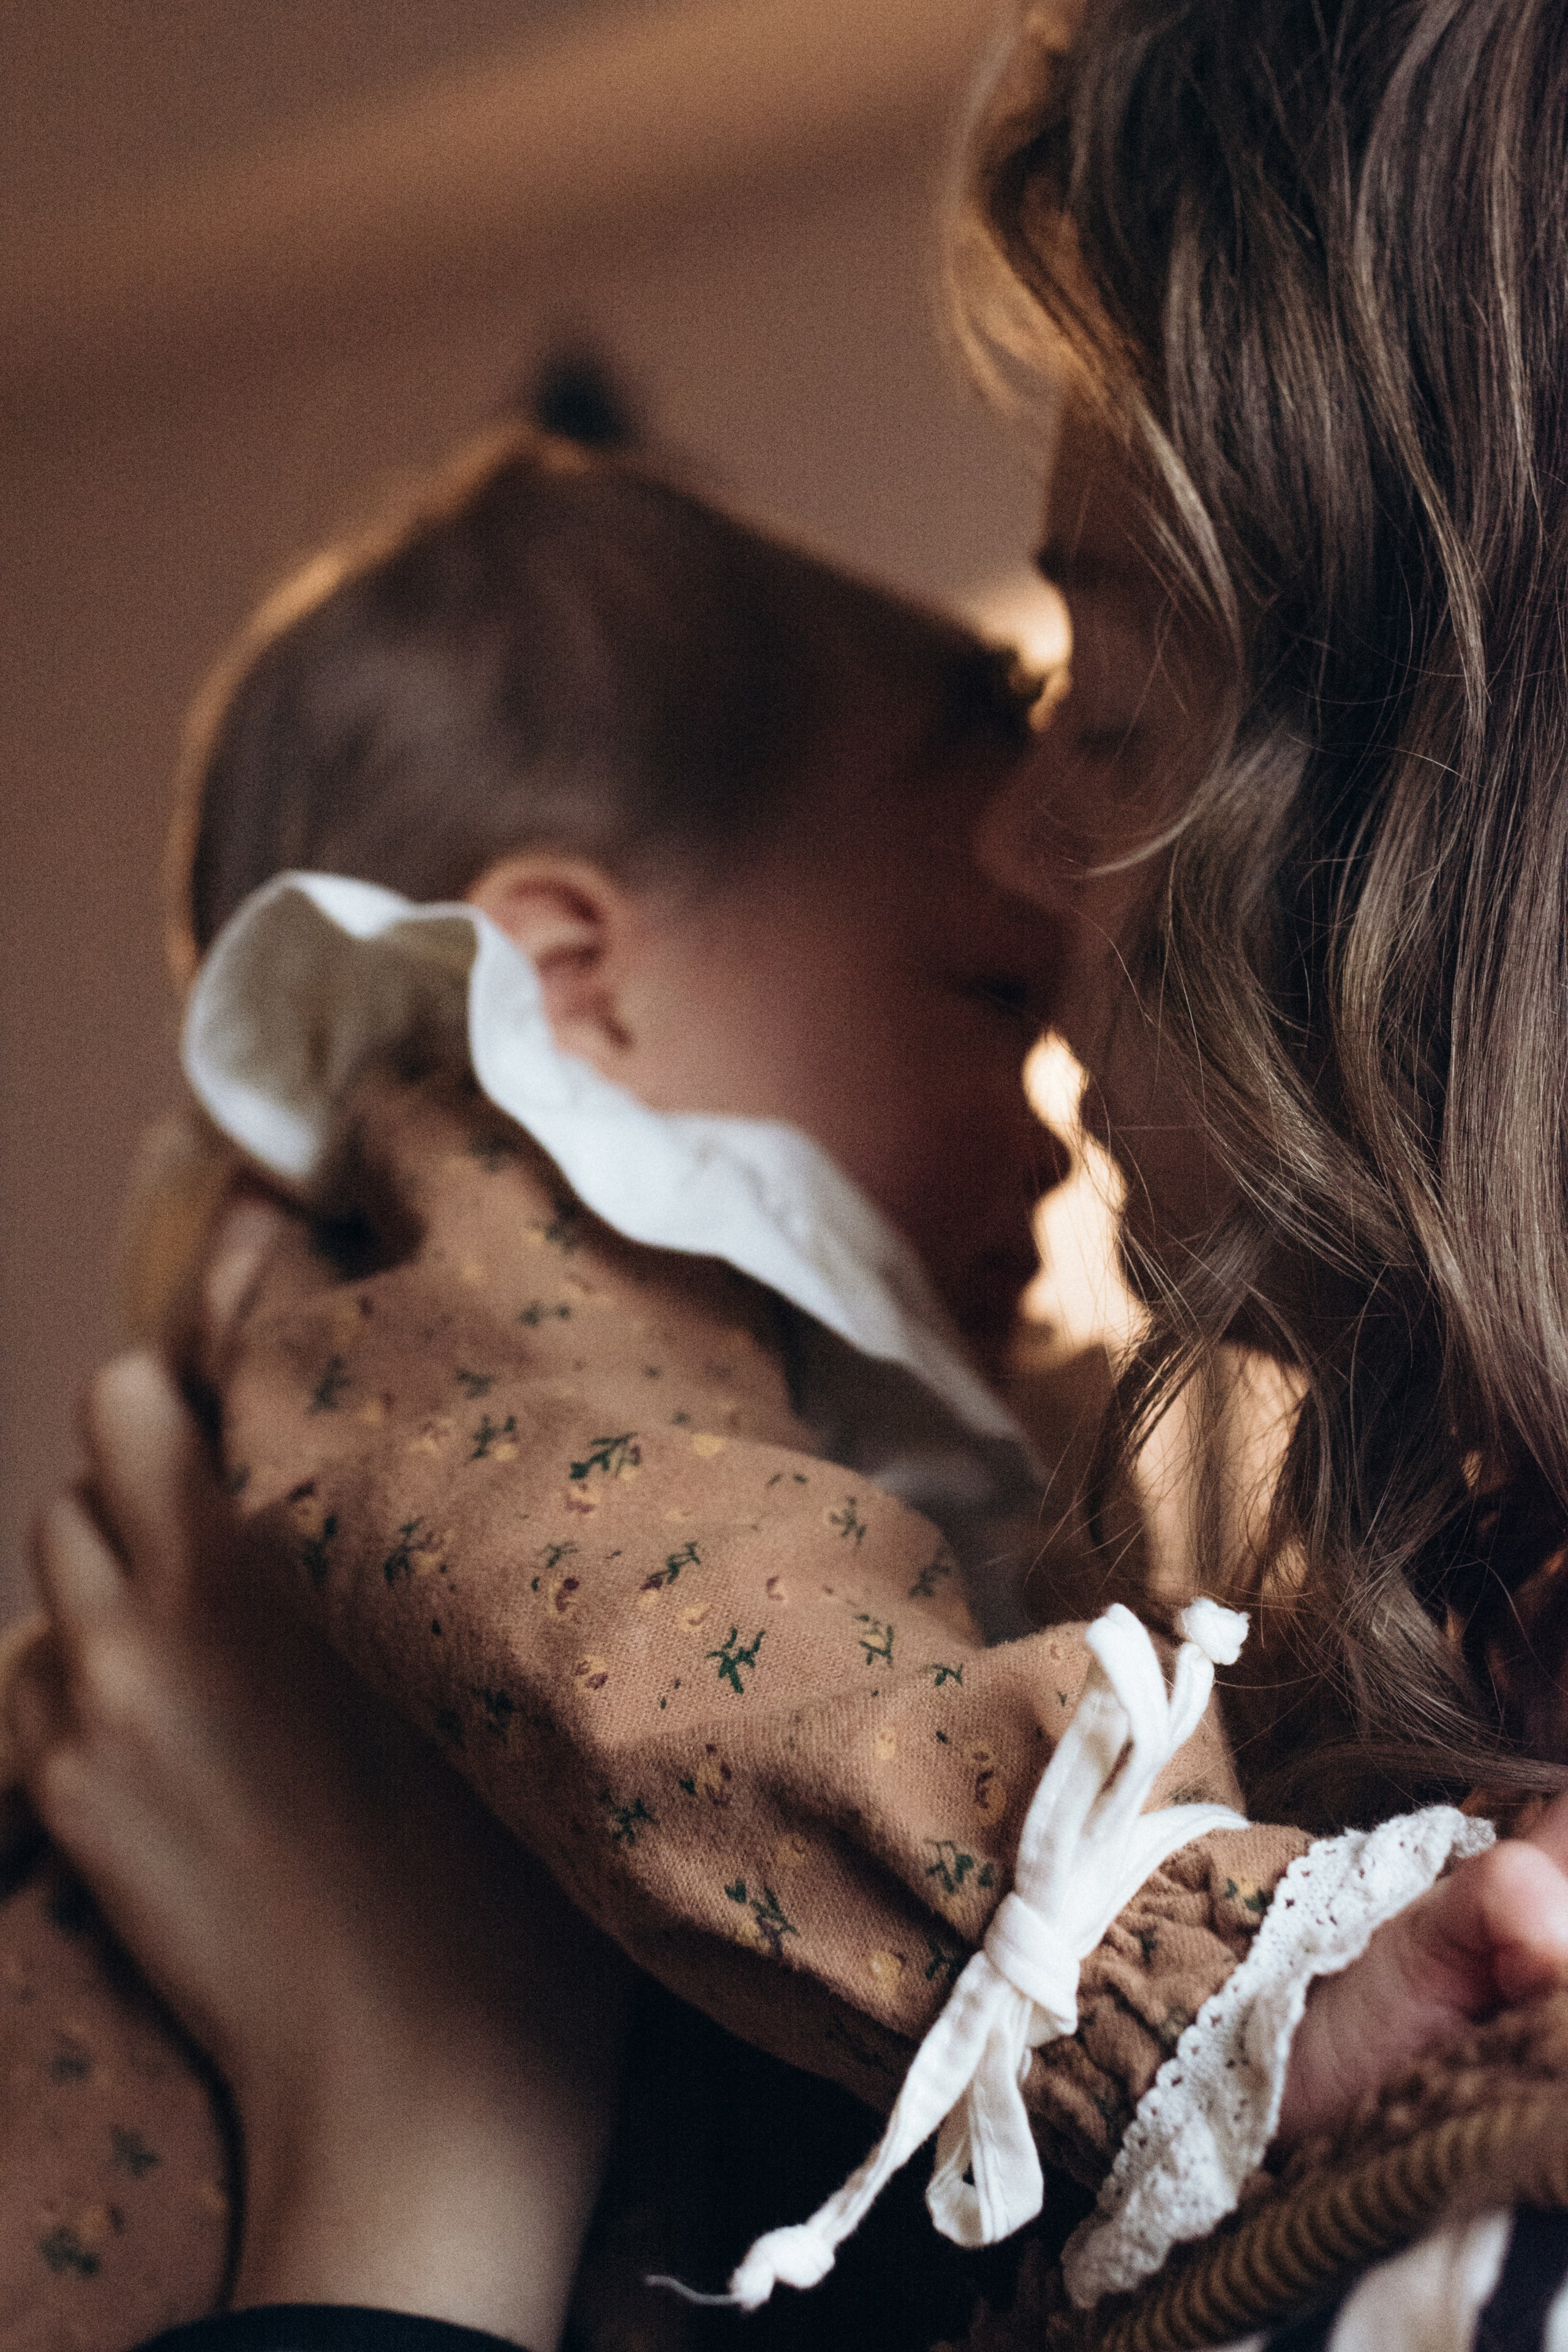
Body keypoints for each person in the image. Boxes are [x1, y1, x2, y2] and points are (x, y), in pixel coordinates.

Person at [18, 17, 1568, 2327]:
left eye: (1111, 710)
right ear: (574, 984)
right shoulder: (491, 1271)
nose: (1038, 877)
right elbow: (676, 1636)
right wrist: (1178, 1971)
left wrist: (410, 2112)